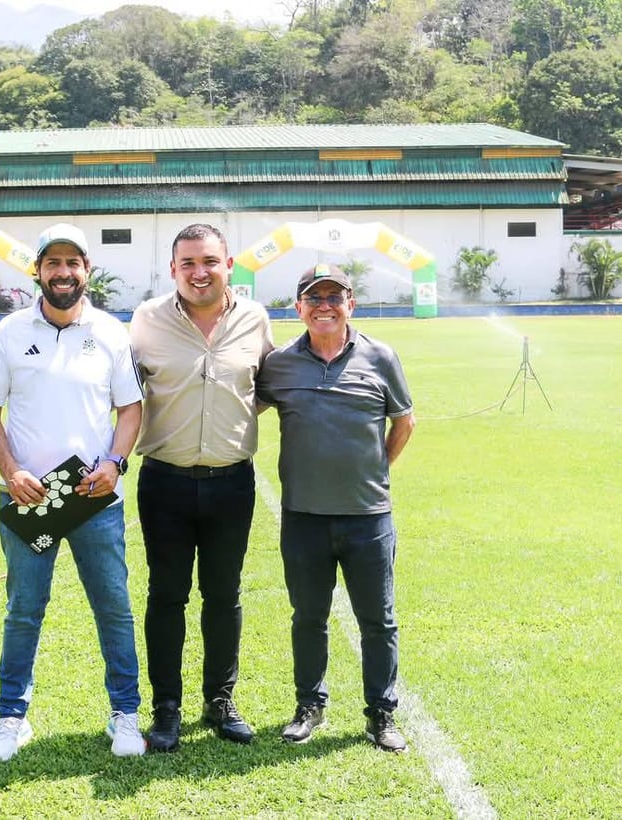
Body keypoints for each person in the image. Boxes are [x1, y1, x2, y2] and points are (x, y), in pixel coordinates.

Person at [0, 223, 146, 761]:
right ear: (38, 271)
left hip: (93, 495)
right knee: (25, 608)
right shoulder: (8, 332)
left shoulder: (112, 333)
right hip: (30, 495)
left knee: (113, 607)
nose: (63, 272)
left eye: (73, 263)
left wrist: (116, 463)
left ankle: (125, 713)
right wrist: (10, 469)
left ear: (87, 271)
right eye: (53, 263)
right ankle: (11, 718)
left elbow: (130, 407)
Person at [255, 262, 415, 753]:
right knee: (308, 616)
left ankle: (381, 714)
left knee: (378, 620)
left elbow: (404, 422)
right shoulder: (279, 363)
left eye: (334, 297)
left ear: (351, 303)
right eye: (314, 298)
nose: (324, 306)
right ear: (298, 307)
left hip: (368, 518)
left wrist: (374, 471)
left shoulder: (381, 356)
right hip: (303, 518)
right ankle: (309, 705)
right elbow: (241, 407)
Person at [129, 223, 274, 752]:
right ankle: (166, 707)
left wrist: (226, 425)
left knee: (223, 594)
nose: (199, 272)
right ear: (173, 269)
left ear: (228, 264)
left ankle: (220, 699)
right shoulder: (146, 320)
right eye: (188, 263)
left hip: (231, 482)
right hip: (164, 481)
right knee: (166, 596)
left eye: (209, 261)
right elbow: (124, 392)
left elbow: (263, 388)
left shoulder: (256, 320)